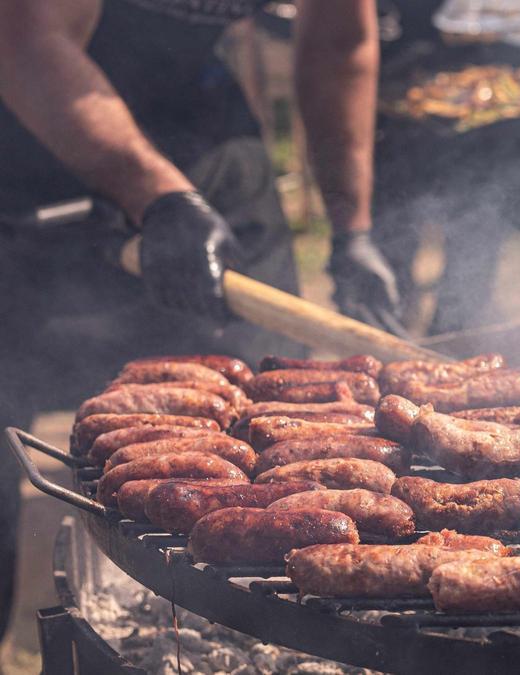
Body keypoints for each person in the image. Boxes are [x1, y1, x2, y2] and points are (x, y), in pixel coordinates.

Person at [0, 0, 404, 644]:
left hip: (206, 129)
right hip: (32, 135)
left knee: (264, 408)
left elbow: (339, 42)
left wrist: (351, 227)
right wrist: (157, 194)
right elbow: (25, 40)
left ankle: (265, 645)